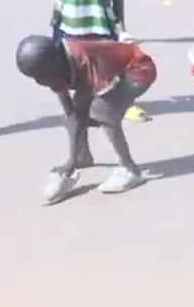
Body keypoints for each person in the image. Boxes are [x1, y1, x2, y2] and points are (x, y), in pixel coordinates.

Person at [15, 34, 154, 204]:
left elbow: (104, 106)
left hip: (137, 70)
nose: (39, 82)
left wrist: (70, 163)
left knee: (101, 112)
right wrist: (71, 162)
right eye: (34, 78)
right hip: (108, 74)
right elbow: (71, 115)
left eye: (41, 76)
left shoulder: (84, 59)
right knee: (77, 110)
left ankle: (130, 170)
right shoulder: (54, 69)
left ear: (55, 64)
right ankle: (83, 157)